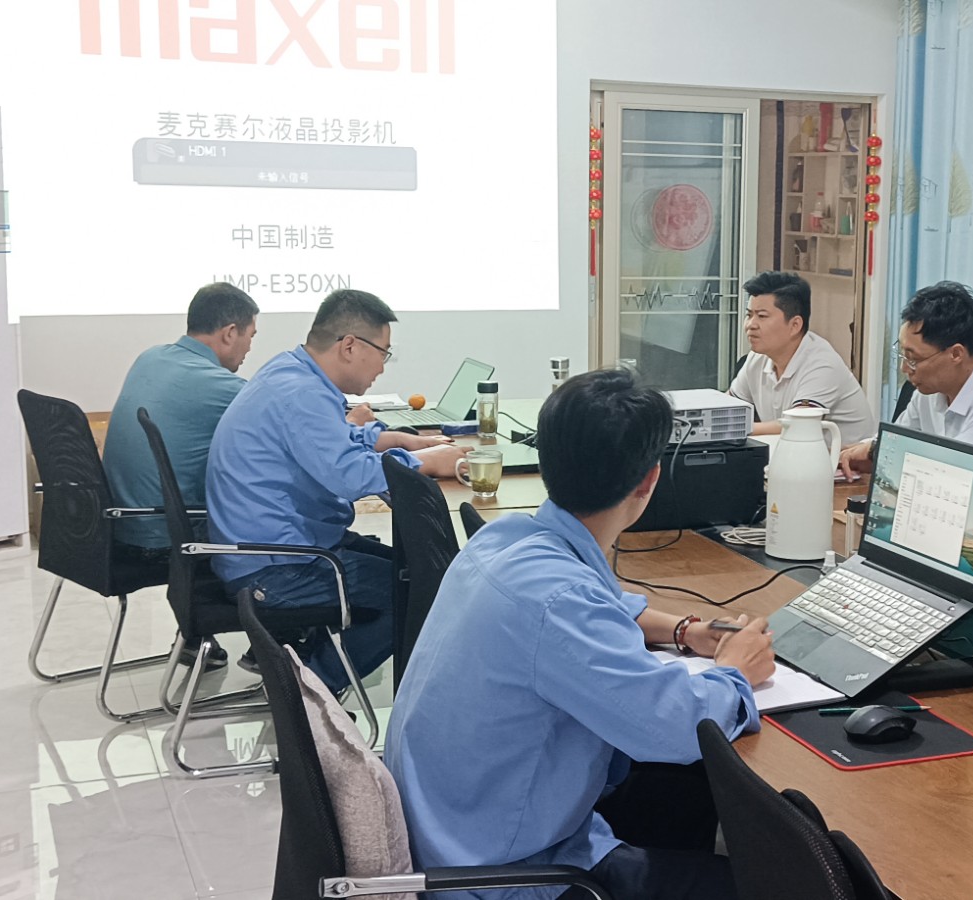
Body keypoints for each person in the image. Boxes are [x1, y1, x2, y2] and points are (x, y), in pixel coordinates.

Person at [389, 367, 774, 900]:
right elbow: (676, 728)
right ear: (649, 481)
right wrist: (735, 671)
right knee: (782, 883)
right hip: (511, 875)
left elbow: (597, 609)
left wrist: (684, 630)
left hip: (455, 829)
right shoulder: (559, 602)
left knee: (682, 796)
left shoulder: (505, 539)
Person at [206, 289, 465, 694]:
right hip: (275, 568)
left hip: (279, 548)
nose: (383, 366)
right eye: (384, 353)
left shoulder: (292, 372)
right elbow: (349, 476)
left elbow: (330, 441)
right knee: (422, 589)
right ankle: (308, 690)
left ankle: (308, 667)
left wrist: (393, 440)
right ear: (349, 346)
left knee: (421, 568)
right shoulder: (302, 392)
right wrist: (427, 462)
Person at [101, 283, 258, 668]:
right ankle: (283, 641)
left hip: (114, 525)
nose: (250, 349)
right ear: (229, 333)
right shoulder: (221, 385)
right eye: (251, 337)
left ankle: (195, 637)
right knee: (275, 517)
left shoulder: (150, 358)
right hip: (162, 537)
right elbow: (288, 431)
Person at [838, 281, 973, 480]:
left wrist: (874, 450)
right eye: (902, 355)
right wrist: (864, 451)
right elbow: (896, 442)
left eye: (913, 359)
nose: (904, 369)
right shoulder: (928, 393)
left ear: (956, 354)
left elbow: (948, 471)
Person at [728, 271, 877, 445]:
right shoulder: (757, 359)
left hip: (843, 460)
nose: (751, 325)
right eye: (749, 315)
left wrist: (734, 428)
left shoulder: (822, 364)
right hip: (790, 454)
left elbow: (798, 425)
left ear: (795, 325)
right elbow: (727, 408)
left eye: (761, 316)